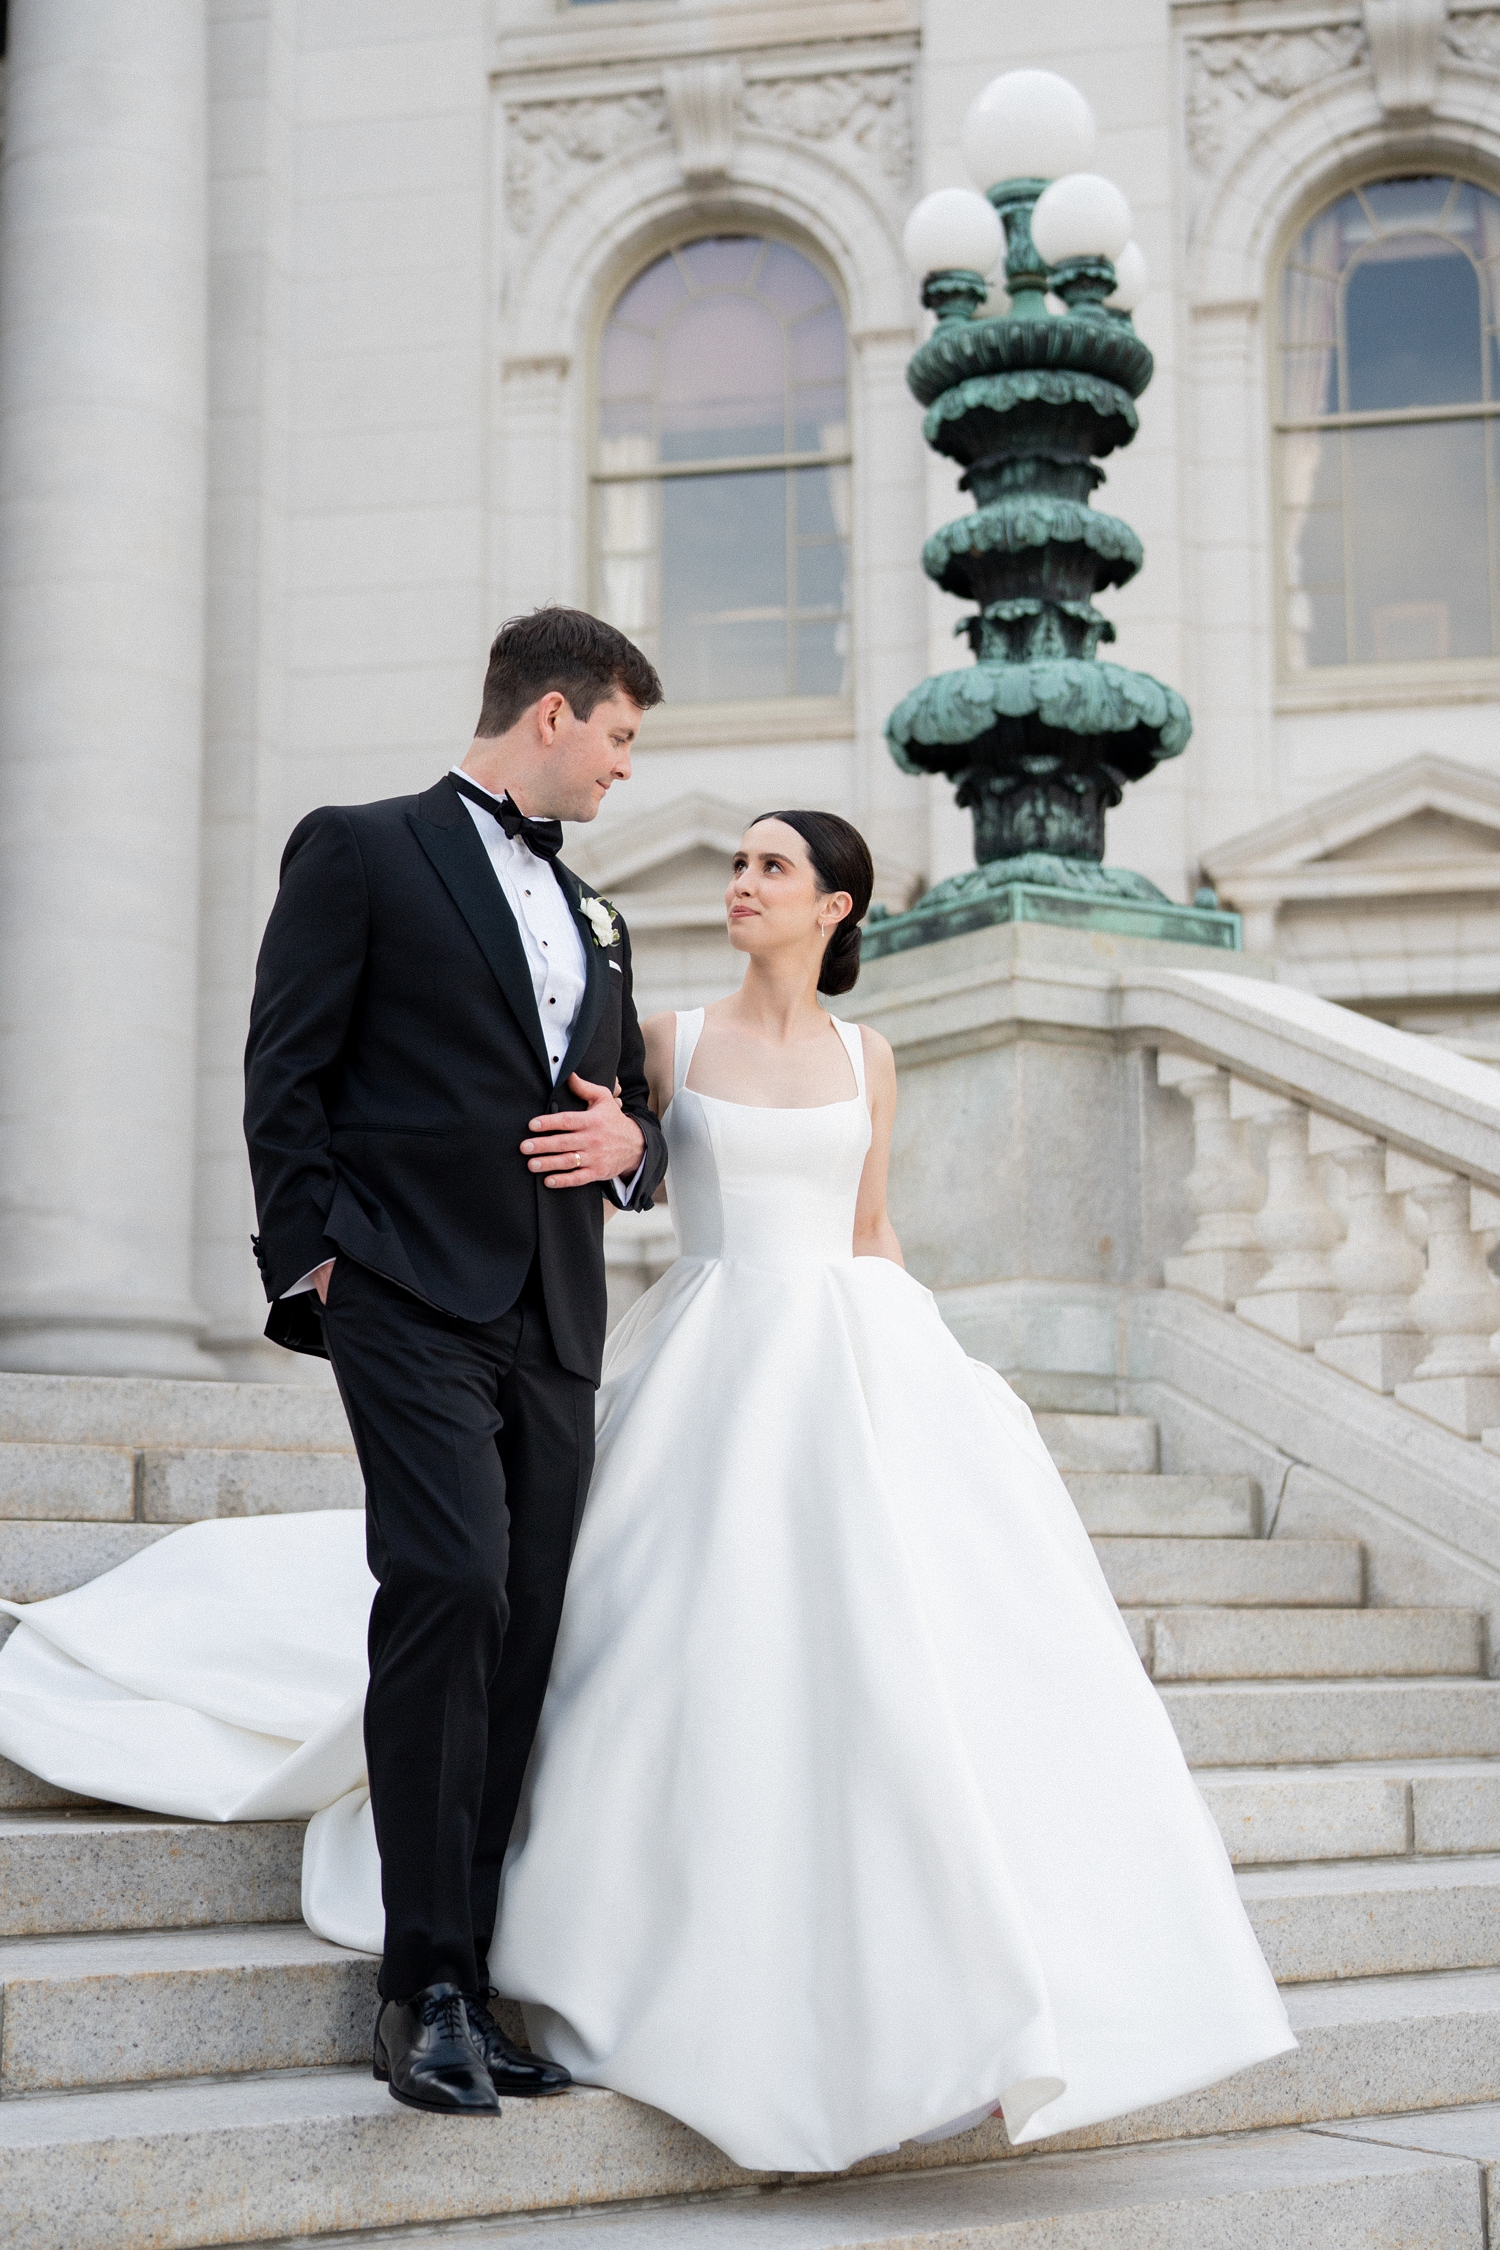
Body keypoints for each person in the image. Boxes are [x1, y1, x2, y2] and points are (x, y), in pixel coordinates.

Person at [0, 804, 1294, 2172]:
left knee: (904, 1654)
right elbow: (613, 1154)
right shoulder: (668, 1037)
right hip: (709, 1353)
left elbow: (871, 1228)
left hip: (857, 1353)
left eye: (772, 867)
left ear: (837, 906)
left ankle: (956, 1997)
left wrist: (932, 1365)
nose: (742, 882)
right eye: (736, 862)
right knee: (626, 1620)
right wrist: (624, 1157)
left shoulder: (874, 1055)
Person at [242, 607, 669, 2114]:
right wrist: (318, 1259)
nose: (626, 768)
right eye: (619, 736)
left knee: (525, 1629)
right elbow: (284, 1064)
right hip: (406, 1292)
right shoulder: (359, 848)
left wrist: (639, 1148)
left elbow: (636, 1115)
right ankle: (414, 1983)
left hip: (556, 1316)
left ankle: (474, 1983)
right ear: (551, 716)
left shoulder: (600, 914)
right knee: (451, 1583)